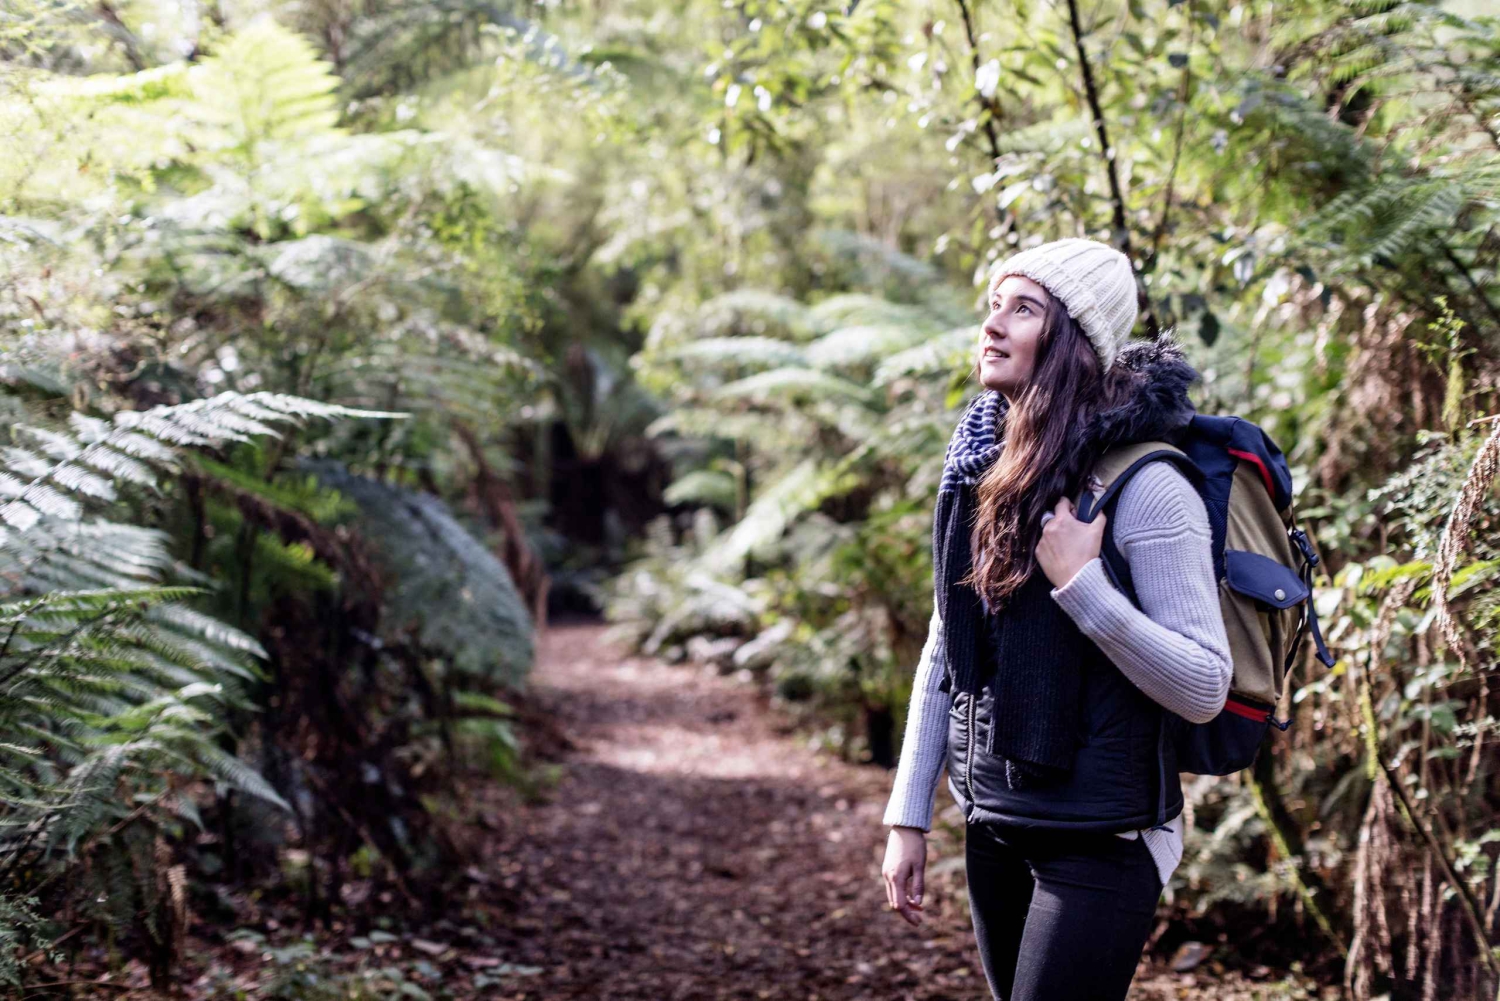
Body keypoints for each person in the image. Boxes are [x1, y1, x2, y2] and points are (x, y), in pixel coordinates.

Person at [879, 237, 1233, 1001]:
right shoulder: (983, 466)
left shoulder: (1146, 486)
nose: (993, 324)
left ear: (1073, 338)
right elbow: (947, 645)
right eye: (993, 305)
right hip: (996, 823)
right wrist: (909, 815)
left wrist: (1083, 586)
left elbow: (1206, 683)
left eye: (1024, 309)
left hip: (1103, 841)